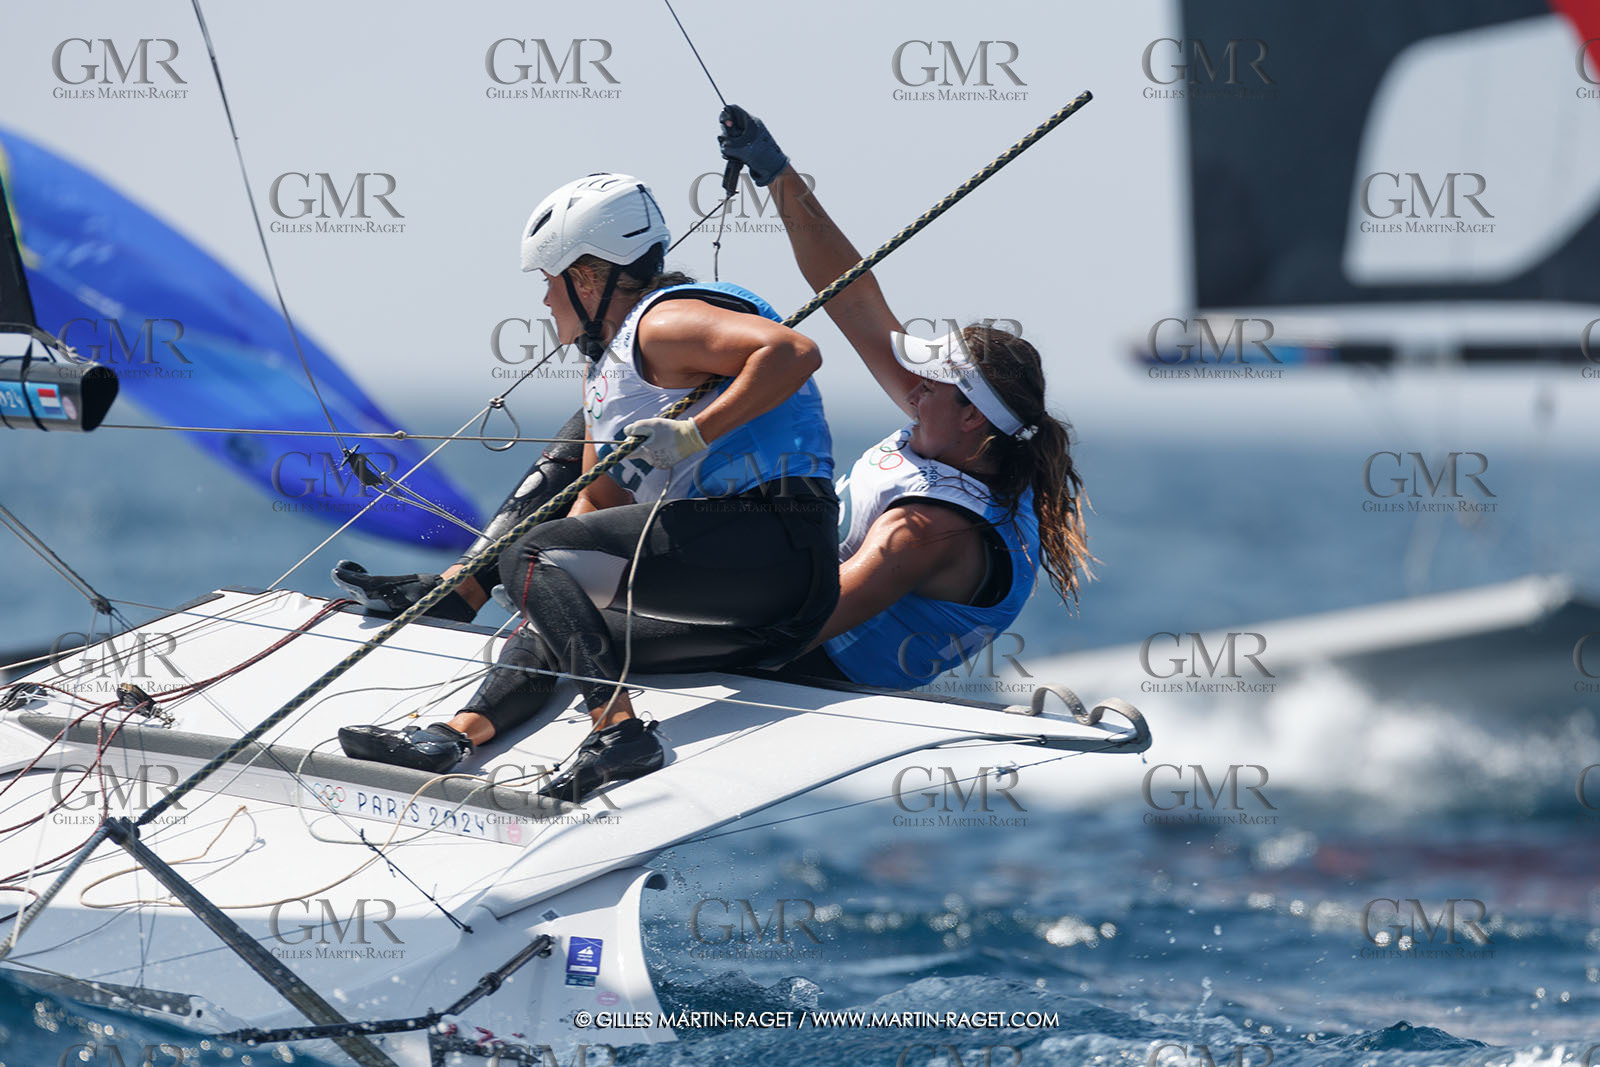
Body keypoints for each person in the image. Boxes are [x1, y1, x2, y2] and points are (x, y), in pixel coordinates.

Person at [338, 173, 839, 800]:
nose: (545, 300)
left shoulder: (664, 321)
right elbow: (597, 505)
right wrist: (537, 590)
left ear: (589, 278)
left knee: (535, 554)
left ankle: (620, 734)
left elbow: (792, 352)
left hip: (770, 545)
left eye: (550, 281)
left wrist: (695, 434)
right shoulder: (612, 365)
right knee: (558, 610)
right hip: (759, 610)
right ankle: (455, 736)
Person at [716, 106, 1094, 689]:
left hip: (802, 678)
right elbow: (853, 299)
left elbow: (786, 634)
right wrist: (777, 173)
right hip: (785, 593)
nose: (911, 386)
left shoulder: (925, 532)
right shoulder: (958, 434)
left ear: (971, 416)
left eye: (930, 382)